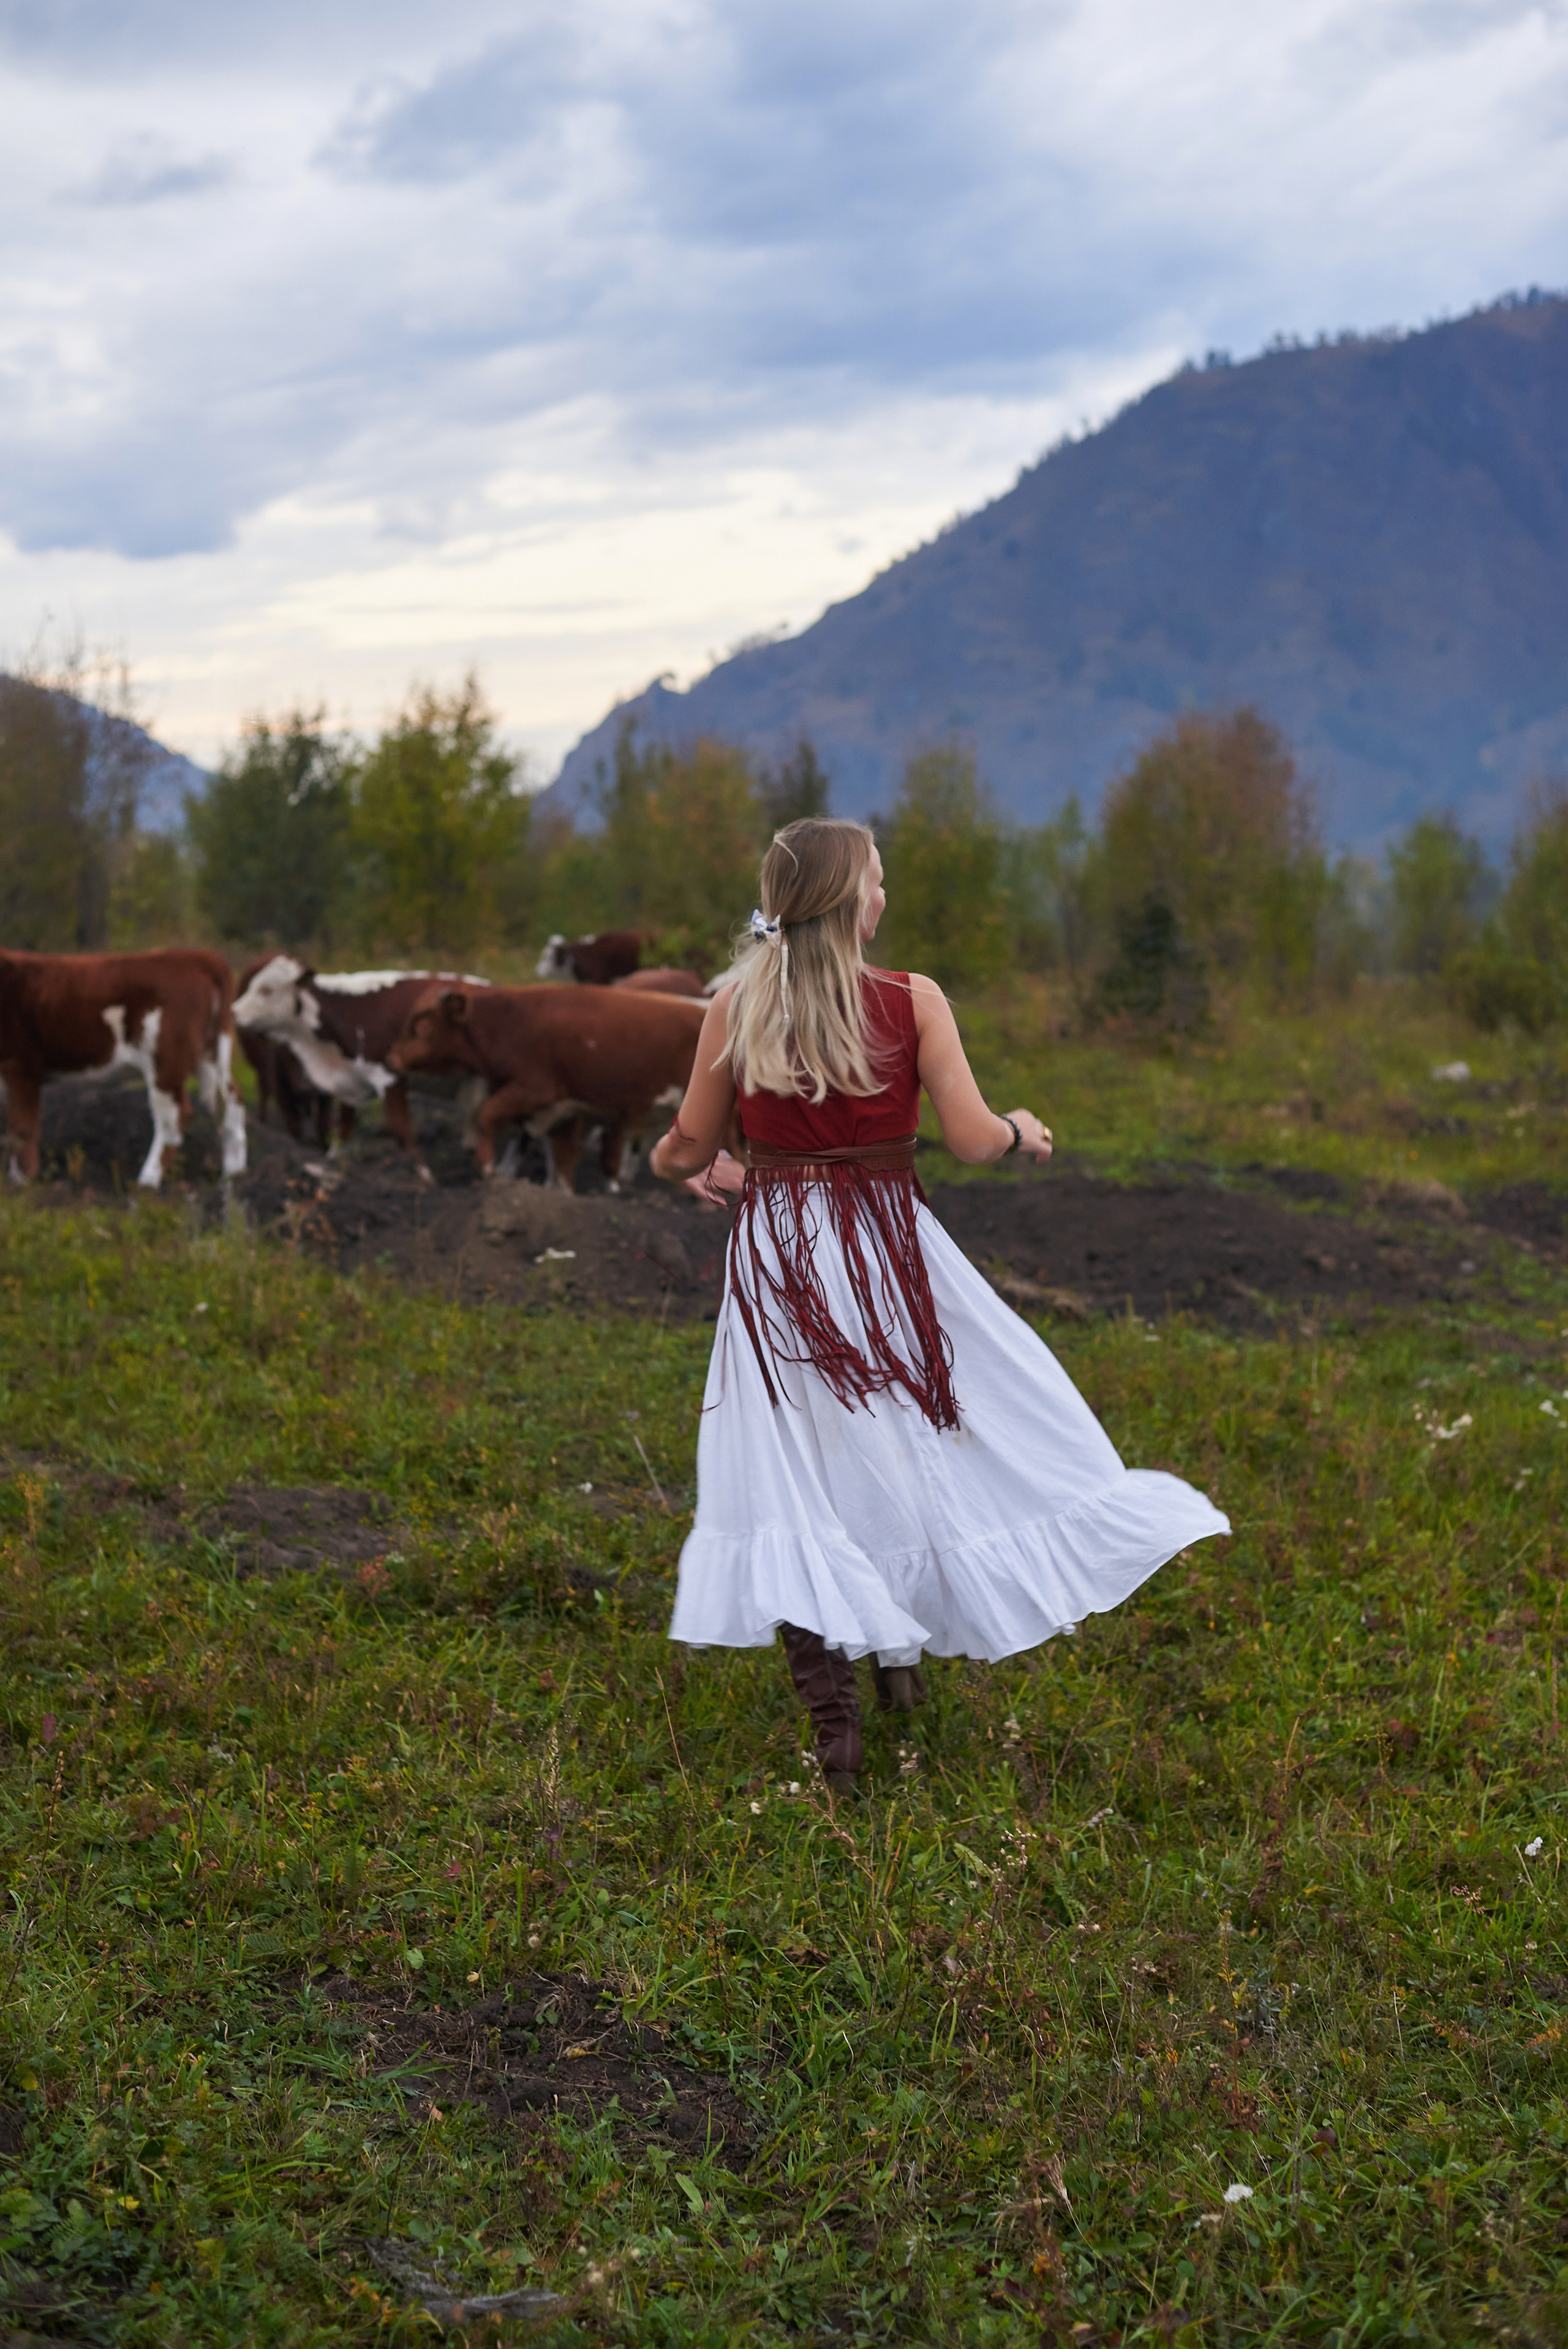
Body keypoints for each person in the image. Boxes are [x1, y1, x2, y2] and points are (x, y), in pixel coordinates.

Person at [649, 817, 1228, 1790]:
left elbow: (682, 1143)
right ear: (851, 903)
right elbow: (969, 1138)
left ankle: (837, 1728)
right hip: (888, 1252)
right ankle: (897, 1670)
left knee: (796, 1465)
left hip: (781, 1258)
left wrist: (699, 1167)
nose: (885, 898)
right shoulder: (913, 1001)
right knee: (911, 1432)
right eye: (877, 882)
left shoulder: (734, 1008)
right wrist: (1021, 1129)